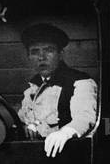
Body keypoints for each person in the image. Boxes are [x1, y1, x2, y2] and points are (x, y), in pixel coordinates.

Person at [17, 22, 98, 157]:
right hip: (34, 153)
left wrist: (65, 133)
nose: (41, 57)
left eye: (49, 50)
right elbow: (21, 119)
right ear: (28, 57)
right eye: (35, 52)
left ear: (60, 54)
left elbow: (85, 117)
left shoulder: (80, 82)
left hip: (66, 155)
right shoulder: (32, 87)